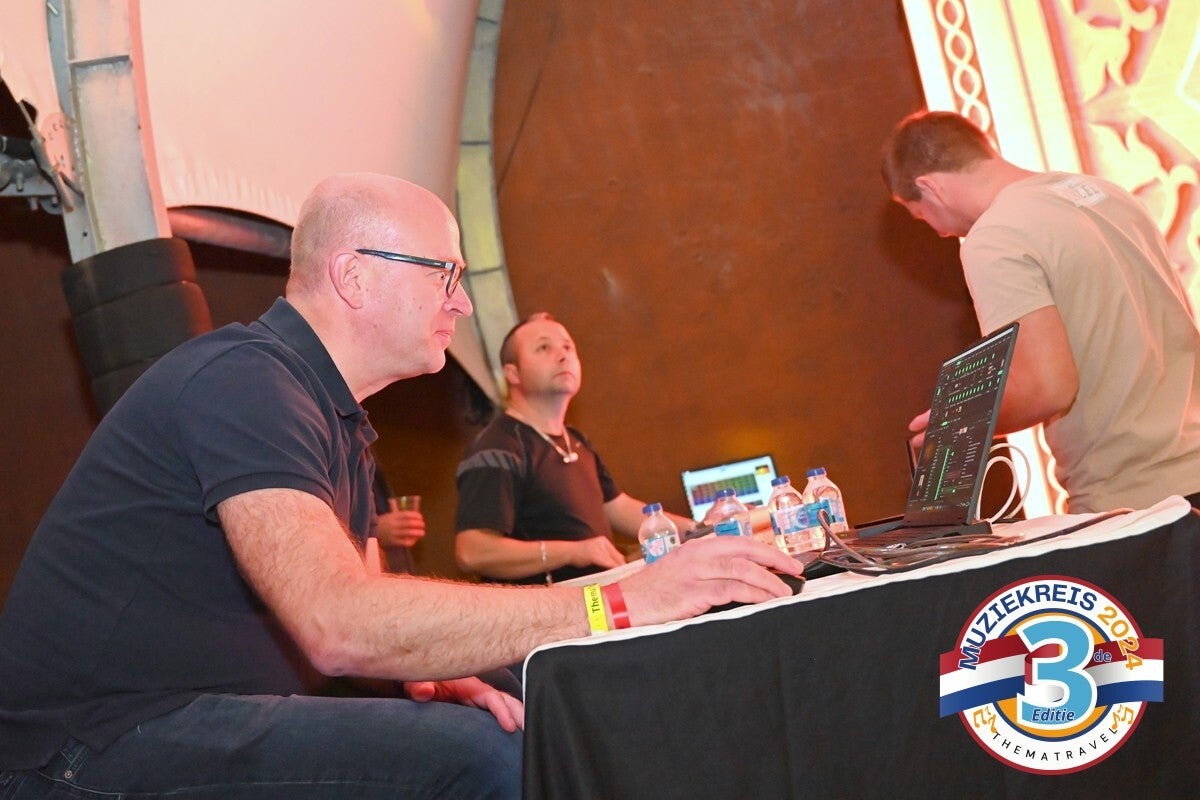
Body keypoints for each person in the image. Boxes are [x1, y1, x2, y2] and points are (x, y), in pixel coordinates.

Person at [0, 172, 801, 799]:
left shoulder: (334, 417)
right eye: (445, 273)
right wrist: (619, 601)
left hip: (183, 718)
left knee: (520, 691)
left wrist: (432, 659)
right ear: (354, 276)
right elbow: (338, 623)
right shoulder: (244, 381)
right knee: (480, 757)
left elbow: (369, 619)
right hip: (82, 749)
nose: (463, 302)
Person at [882, 110, 1200, 513]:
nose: (941, 232)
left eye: (922, 215)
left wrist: (957, 427)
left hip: (1136, 499)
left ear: (929, 188)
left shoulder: (995, 236)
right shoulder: (1105, 193)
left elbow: (1048, 386)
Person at [455, 313, 697, 585]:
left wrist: (696, 529)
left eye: (568, 347)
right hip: (550, 608)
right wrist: (572, 552)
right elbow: (472, 551)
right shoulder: (498, 447)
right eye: (543, 348)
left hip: (598, 600)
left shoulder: (575, 440)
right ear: (512, 373)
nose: (563, 356)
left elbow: (618, 508)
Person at [370, 453, 424, 573]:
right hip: (363, 577)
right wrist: (374, 530)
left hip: (393, 572)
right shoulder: (336, 448)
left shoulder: (365, 450)